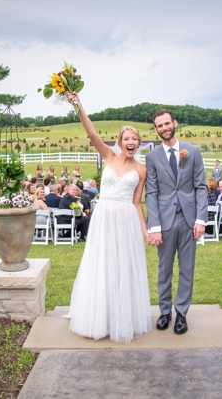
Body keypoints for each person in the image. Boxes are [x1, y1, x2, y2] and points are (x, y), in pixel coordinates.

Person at [63, 91, 152, 343]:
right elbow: (91, 133)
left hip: (127, 220)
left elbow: (137, 203)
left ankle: (122, 320)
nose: (131, 141)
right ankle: (99, 317)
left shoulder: (141, 170)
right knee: (102, 263)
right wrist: (78, 103)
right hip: (104, 217)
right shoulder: (109, 156)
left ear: (139, 143)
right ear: (120, 142)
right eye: (127, 138)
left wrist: (145, 230)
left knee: (124, 267)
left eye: (135, 138)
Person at [146, 109, 207, 335]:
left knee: (187, 268)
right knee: (164, 269)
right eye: (159, 126)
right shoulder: (152, 157)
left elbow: (200, 186)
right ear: (156, 129)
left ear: (175, 123)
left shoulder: (192, 151)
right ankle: (164, 312)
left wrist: (201, 219)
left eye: (166, 123)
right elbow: (151, 192)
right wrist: (154, 226)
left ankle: (181, 313)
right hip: (165, 220)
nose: (164, 128)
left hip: (190, 220)